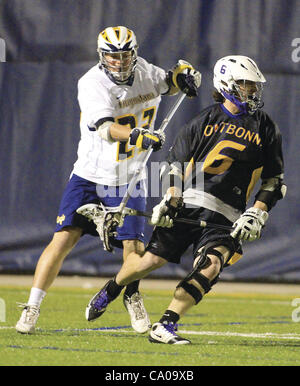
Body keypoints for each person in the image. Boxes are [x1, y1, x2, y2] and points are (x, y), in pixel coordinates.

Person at [81, 55, 286, 344]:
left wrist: (257, 211)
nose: (252, 91)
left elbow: (274, 181)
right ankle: (112, 289)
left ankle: (166, 325)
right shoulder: (205, 119)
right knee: (149, 261)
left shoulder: (265, 127)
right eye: (245, 84)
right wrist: (171, 198)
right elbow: (174, 162)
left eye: (254, 86)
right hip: (190, 201)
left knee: (211, 265)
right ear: (227, 85)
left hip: (229, 215)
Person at [15, 26, 201, 334]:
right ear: (102, 56)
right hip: (90, 174)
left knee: (134, 248)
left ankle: (131, 294)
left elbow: (170, 82)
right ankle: (33, 305)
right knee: (63, 239)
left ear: (134, 53)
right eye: (112, 57)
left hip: (130, 176)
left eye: (124, 55)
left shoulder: (145, 72)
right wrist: (138, 135)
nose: (119, 62)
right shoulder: (91, 82)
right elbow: (104, 127)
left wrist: (185, 77)